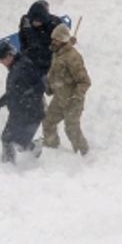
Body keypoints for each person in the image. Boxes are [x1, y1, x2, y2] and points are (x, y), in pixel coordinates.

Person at [0, 43, 46, 162]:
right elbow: (14, 91)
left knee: (8, 139)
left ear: (10, 55)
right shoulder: (16, 67)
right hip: (19, 112)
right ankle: (35, 148)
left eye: (2, 59)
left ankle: (8, 167)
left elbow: (40, 86)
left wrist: (27, 97)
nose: (1, 63)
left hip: (29, 112)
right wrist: (0, 103)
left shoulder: (23, 66)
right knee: (17, 140)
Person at [42, 24, 91, 154]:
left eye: (56, 40)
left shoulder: (73, 57)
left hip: (73, 102)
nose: (53, 42)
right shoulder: (57, 54)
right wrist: (49, 86)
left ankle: (83, 153)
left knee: (71, 130)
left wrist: (76, 97)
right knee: (48, 122)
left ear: (63, 41)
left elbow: (84, 81)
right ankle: (52, 149)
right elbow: (56, 75)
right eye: (52, 39)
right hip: (59, 99)